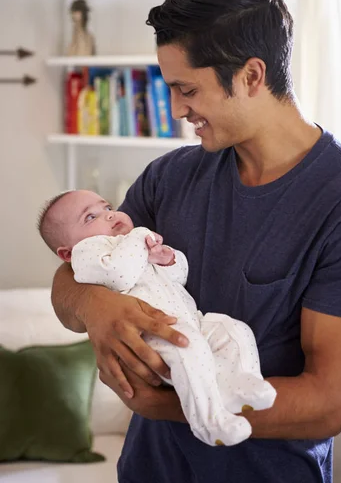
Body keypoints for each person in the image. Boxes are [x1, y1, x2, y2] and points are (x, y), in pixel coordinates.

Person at [51, 0, 341, 483]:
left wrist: (163, 404)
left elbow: (327, 404)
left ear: (252, 76)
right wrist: (94, 306)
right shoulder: (168, 177)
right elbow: (71, 275)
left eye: (187, 89)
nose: (176, 110)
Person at [38, 189, 276, 447]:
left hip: (191, 320)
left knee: (233, 330)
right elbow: (120, 275)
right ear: (66, 254)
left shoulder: (129, 243)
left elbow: (179, 276)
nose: (109, 216)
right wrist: (139, 237)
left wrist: (167, 259)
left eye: (107, 208)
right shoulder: (89, 253)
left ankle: (242, 381)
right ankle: (210, 421)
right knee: (188, 348)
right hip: (151, 335)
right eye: (90, 217)